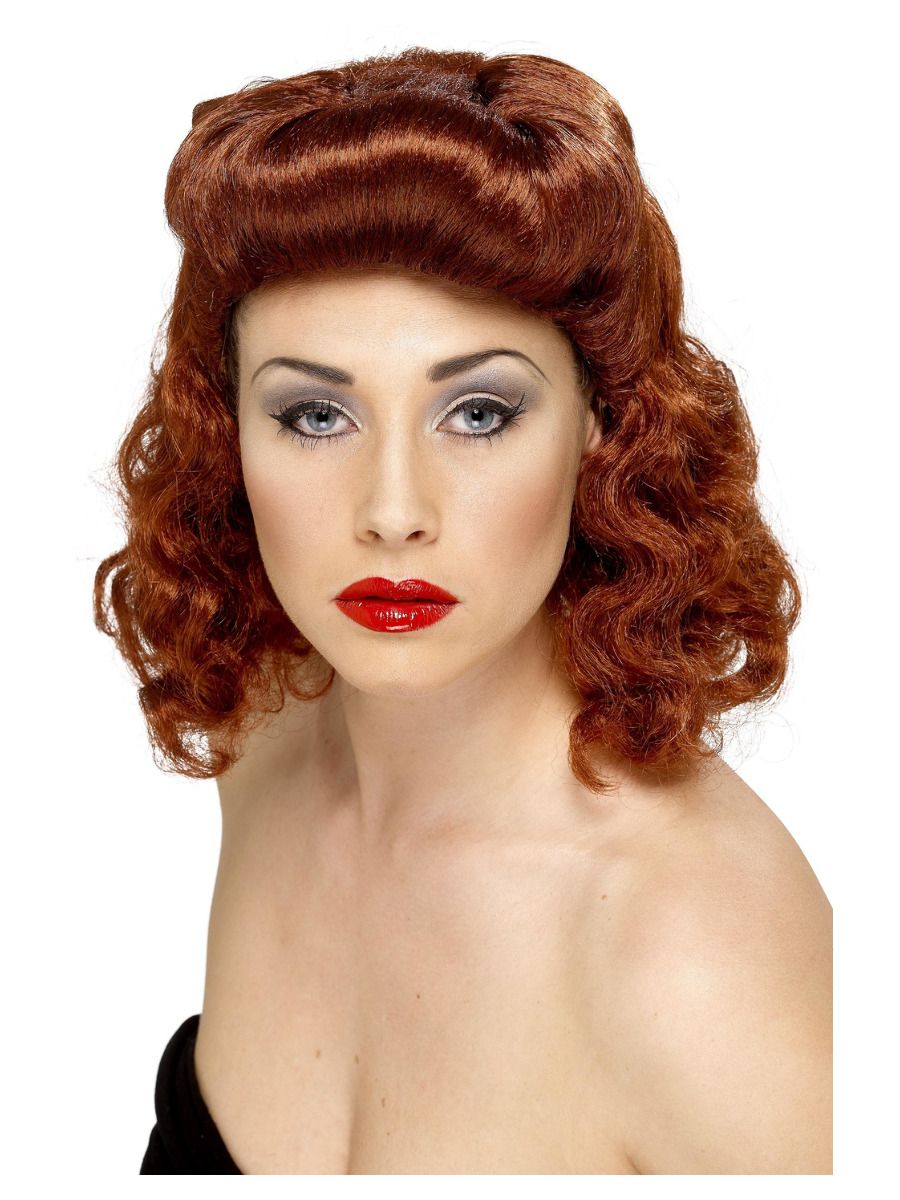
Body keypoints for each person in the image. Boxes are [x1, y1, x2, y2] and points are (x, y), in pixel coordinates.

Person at [94, 45, 832, 1175]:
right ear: (225, 427)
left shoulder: (699, 956)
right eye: (315, 417)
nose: (393, 512)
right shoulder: (264, 726)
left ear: (602, 421)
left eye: (479, 413)